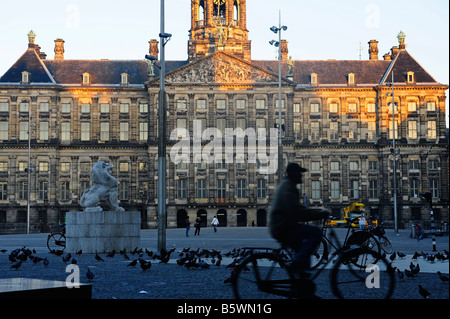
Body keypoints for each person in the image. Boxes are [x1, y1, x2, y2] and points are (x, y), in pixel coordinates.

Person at [269, 162, 329, 276]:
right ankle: (297, 265)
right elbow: (296, 211)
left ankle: (301, 280)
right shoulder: (288, 187)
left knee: (301, 249)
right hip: (283, 227)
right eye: (299, 173)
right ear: (294, 174)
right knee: (316, 232)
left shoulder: (288, 185)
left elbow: (297, 210)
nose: (301, 176)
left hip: (284, 225)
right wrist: (319, 214)